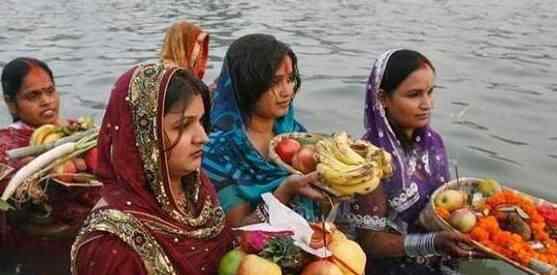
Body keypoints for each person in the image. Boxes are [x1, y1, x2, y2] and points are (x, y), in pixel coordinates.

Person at [72, 64, 232, 275]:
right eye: (183, 126)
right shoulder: (112, 245)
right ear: (142, 138)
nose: (202, 137)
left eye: (201, 122)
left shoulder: (197, 191)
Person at [341, 49, 481, 275]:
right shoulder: (369, 159)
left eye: (430, 92)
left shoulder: (433, 144)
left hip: (439, 257)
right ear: (382, 98)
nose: (427, 104)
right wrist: (432, 243)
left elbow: (443, 207)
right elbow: (369, 242)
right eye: (414, 95)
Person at [202, 34, 324, 227]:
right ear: (246, 85)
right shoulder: (217, 150)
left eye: (290, 79)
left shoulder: (296, 134)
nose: (287, 91)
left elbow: (319, 208)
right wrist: (284, 192)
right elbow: (238, 231)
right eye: (275, 82)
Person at [0, 57, 100, 275]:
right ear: (10, 102)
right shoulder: (5, 146)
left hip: (87, 244)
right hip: (34, 256)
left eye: (50, 91)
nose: (47, 101)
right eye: (33, 96)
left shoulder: (79, 131)